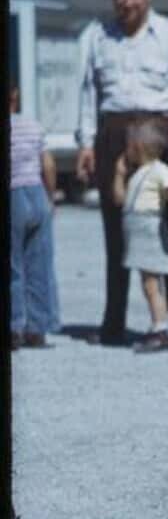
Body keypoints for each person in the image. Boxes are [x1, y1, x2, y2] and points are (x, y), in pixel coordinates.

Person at [76, 0, 168, 347]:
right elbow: (88, 93)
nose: (127, 1)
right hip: (112, 134)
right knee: (116, 232)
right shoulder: (97, 36)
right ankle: (113, 323)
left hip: (159, 134)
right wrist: (86, 143)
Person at [111, 119, 168, 352]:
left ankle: (161, 329)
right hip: (137, 231)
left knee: (152, 283)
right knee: (148, 283)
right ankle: (159, 325)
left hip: (149, 228)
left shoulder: (160, 171)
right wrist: (118, 173)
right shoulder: (138, 173)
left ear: (138, 146)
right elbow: (119, 200)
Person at [10, 87, 60, 349]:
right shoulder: (32, 125)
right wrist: (50, 197)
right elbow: (48, 164)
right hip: (36, 193)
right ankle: (37, 329)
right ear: (15, 96)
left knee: (12, 267)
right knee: (40, 265)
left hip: (12, 195)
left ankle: (14, 327)